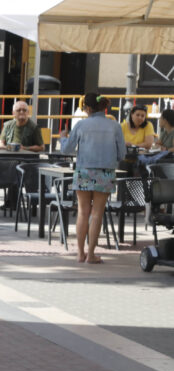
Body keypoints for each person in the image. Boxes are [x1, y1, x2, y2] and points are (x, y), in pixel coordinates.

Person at [60, 92, 125, 264]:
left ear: (87, 108)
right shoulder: (115, 126)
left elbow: (66, 150)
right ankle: (91, 254)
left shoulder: (81, 125)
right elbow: (122, 154)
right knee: (97, 214)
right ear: (104, 107)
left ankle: (80, 253)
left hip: (84, 171)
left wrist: (61, 137)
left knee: (82, 212)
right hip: (105, 172)